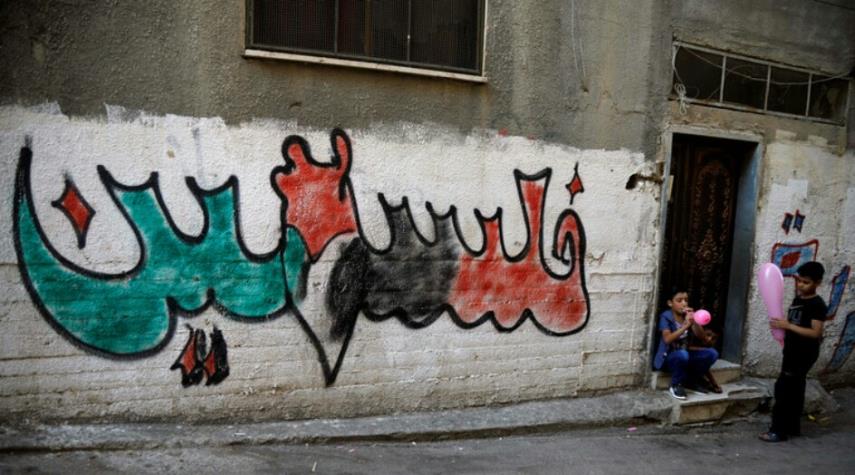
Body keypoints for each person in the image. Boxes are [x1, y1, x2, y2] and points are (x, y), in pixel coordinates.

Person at [760, 261, 827, 442]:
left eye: (806, 282)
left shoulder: (817, 304)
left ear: (817, 283)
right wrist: (781, 327)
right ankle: (792, 427)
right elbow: (794, 323)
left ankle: (778, 431)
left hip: (803, 353)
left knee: (784, 389)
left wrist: (787, 326)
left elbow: (815, 332)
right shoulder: (798, 299)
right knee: (795, 388)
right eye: (799, 280)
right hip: (792, 350)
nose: (801, 285)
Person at [653, 287, 719, 400]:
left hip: (685, 355)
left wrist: (695, 321)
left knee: (712, 354)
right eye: (679, 300)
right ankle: (676, 384)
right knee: (682, 354)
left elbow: (703, 338)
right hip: (668, 358)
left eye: (686, 300)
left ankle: (691, 381)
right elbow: (667, 339)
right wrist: (685, 326)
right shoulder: (666, 316)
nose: (684, 303)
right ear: (670, 303)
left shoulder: (687, 317)